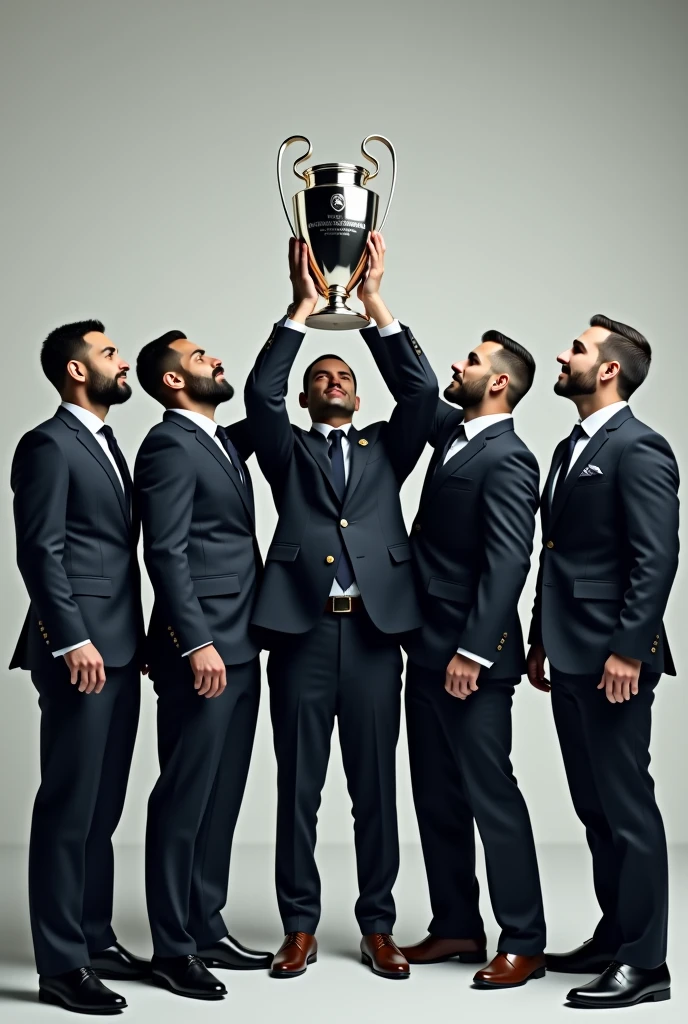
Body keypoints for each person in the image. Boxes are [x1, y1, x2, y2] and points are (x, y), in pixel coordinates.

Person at [244, 234, 437, 980]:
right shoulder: (284, 447)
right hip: (298, 634)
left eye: (342, 374)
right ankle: (299, 927)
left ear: (358, 394)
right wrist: (300, 308)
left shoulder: (391, 447)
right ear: (306, 393)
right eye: (320, 374)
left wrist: (373, 304)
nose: (331, 380)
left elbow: (420, 392)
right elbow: (259, 394)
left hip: (374, 639)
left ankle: (378, 926)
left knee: (374, 790)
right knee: (299, 789)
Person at [376, 328, 548, 988]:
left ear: (497, 383)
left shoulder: (509, 458)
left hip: (472, 658)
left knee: (490, 795)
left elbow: (509, 562)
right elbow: (415, 383)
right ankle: (456, 924)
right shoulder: (455, 432)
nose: (459, 363)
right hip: (425, 647)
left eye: (472, 361)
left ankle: (524, 939)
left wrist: (475, 651)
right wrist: (376, 309)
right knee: (436, 795)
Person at [527, 314, 679, 1009]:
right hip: (568, 652)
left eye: (578, 350)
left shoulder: (639, 448)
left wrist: (629, 648)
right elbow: (554, 555)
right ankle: (616, 932)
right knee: (594, 808)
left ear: (609, 369)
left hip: (614, 657)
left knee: (627, 808)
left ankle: (647, 964)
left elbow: (656, 557)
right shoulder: (568, 448)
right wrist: (537, 637)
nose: (564, 355)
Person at [10, 320, 148, 1015]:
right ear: (74, 370)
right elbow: (40, 550)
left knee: (104, 805)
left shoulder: (107, 444)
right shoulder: (47, 445)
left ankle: (94, 935)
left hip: (121, 647)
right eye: (110, 354)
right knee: (68, 805)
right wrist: (70, 640)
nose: (122, 363)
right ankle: (60, 966)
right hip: (81, 654)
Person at [134, 331, 271, 1001]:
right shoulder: (168, 445)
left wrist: (302, 312)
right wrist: (196, 643)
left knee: (223, 794)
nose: (216, 359)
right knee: (184, 796)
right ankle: (172, 947)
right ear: (174, 384)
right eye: (199, 359)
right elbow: (165, 552)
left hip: (243, 644)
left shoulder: (217, 440)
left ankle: (206, 922)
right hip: (203, 652)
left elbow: (266, 409)